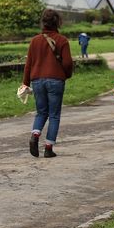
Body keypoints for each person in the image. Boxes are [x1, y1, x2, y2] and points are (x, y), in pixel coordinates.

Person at [22, 9, 74, 158]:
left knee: (41, 112)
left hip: (37, 80)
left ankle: (35, 135)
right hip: (56, 80)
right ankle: (48, 148)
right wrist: (66, 75)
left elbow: (28, 64)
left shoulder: (35, 41)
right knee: (54, 115)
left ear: (43, 22)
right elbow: (68, 63)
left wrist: (25, 83)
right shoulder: (62, 40)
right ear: (58, 22)